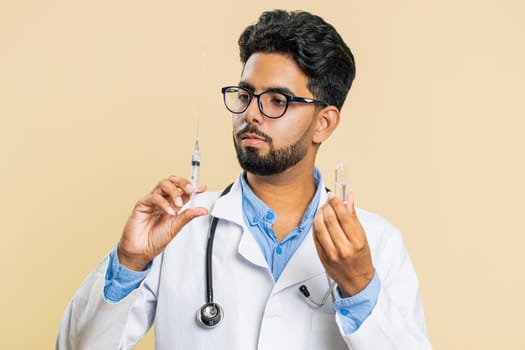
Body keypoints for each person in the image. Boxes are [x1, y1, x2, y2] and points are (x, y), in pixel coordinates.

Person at [57, 9, 432, 349]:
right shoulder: (179, 225)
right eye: (246, 94)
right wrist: (129, 262)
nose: (251, 114)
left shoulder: (377, 245)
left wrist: (360, 286)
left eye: (277, 100)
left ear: (324, 122)